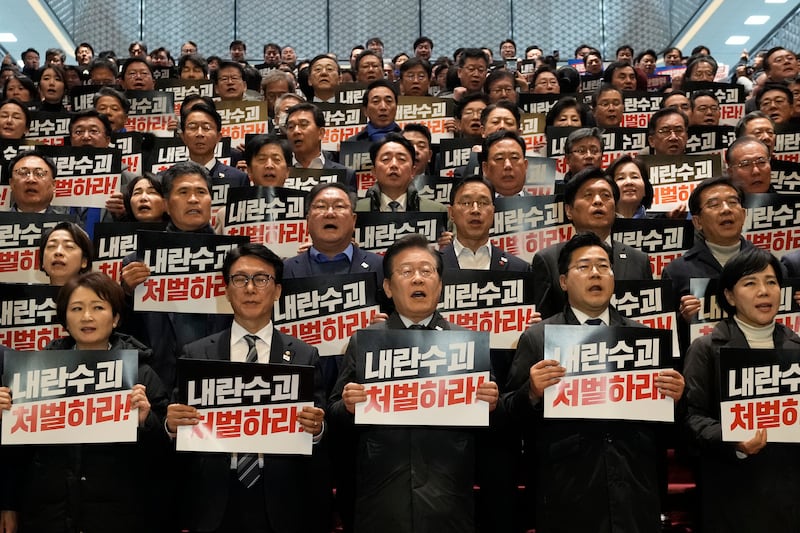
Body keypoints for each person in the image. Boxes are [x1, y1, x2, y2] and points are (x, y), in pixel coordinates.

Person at [505, 231, 684, 533]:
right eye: (584, 266)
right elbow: (505, 414)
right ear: (563, 281)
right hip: (566, 489)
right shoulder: (539, 337)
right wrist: (531, 393)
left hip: (634, 487)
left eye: (604, 266)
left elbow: (671, 429)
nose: (596, 274)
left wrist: (677, 398)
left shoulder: (644, 338)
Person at [329, 233, 500, 533]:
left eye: (426, 271)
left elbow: (495, 424)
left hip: (449, 493)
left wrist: (492, 403)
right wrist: (347, 405)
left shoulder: (466, 343)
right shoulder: (366, 341)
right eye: (406, 272)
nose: (418, 279)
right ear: (388, 287)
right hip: (381, 494)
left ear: (441, 285)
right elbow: (333, 415)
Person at [165, 243, 328, 533]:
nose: (250, 288)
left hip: (282, 498)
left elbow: (321, 429)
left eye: (261, 279)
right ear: (226, 290)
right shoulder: (196, 353)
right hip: (213, 497)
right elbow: (179, 428)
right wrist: (172, 426)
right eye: (240, 279)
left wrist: (317, 430)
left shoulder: (304, 355)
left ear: (277, 290)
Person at [3, 271, 170, 533]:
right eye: (77, 308)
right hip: (48, 514)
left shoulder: (141, 374)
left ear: (115, 318)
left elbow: (163, 459)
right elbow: (18, 455)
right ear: (65, 320)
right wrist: (5, 415)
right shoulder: (35, 373)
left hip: (119, 516)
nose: (87, 317)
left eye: (98, 307)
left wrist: (146, 422)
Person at [684, 247, 800, 533]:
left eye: (771, 282)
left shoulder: (796, 346)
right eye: (751, 283)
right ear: (730, 296)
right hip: (733, 491)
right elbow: (691, 418)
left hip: (790, 490)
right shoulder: (707, 348)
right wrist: (733, 440)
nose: (764, 291)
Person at [120, 161, 233, 388]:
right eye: (183, 192)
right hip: (159, 380)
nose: (193, 199)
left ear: (211, 201)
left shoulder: (235, 260)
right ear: (166, 204)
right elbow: (125, 332)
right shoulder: (138, 262)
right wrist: (126, 293)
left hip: (221, 379)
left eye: (201, 192)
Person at [531, 166, 652, 319]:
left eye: (606, 196)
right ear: (569, 211)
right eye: (588, 196)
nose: (598, 201)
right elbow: (542, 320)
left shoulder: (639, 260)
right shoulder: (548, 259)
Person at [662, 176, 752, 355]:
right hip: (702, 371)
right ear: (697, 222)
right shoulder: (677, 271)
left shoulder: (768, 265)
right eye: (714, 205)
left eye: (732, 202)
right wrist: (683, 319)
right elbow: (667, 343)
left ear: (743, 214)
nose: (726, 210)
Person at [440, 176, 529, 271]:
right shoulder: (433, 265)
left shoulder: (518, 268)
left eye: (483, 203)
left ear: (493, 211)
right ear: (451, 213)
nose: (475, 210)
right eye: (466, 203)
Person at [355, 133, 446, 213]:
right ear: (374, 171)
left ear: (413, 171)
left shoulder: (435, 211)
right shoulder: (356, 210)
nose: (394, 165)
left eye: (401, 159)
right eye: (386, 159)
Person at [284, 103, 356, 183]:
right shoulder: (279, 173)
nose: (296, 131)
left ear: (321, 133)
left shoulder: (345, 174)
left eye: (303, 124)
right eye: (291, 127)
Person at [180, 102, 250, 186]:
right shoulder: (167, 178)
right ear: (183, 136)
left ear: (218, 137)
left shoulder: (238, 178)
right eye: (192, 127)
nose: (199, 133)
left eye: (207, 128)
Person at [6, 149, 67, 214]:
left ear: (53, 185)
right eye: (23, 173)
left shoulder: (69, 223)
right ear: (11, 183)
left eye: (39, 173)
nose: (31, 179)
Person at [38, 221, 93, 286]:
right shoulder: (31, 295)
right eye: (51, 246)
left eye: (69, 246)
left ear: (84, 261)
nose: (58, 252)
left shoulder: (94, 295)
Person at [480, 129, 529, 197]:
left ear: (525, 165)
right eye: (499, 158)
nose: (508, 165)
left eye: (514, 158)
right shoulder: (475, 206)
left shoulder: (544, 206)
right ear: (485, 168)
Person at [607, 154, 654, 219]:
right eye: (621, 178)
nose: (629, 182)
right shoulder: (598, 225)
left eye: (635, 177)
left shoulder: (657, 226)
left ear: (645, 189)